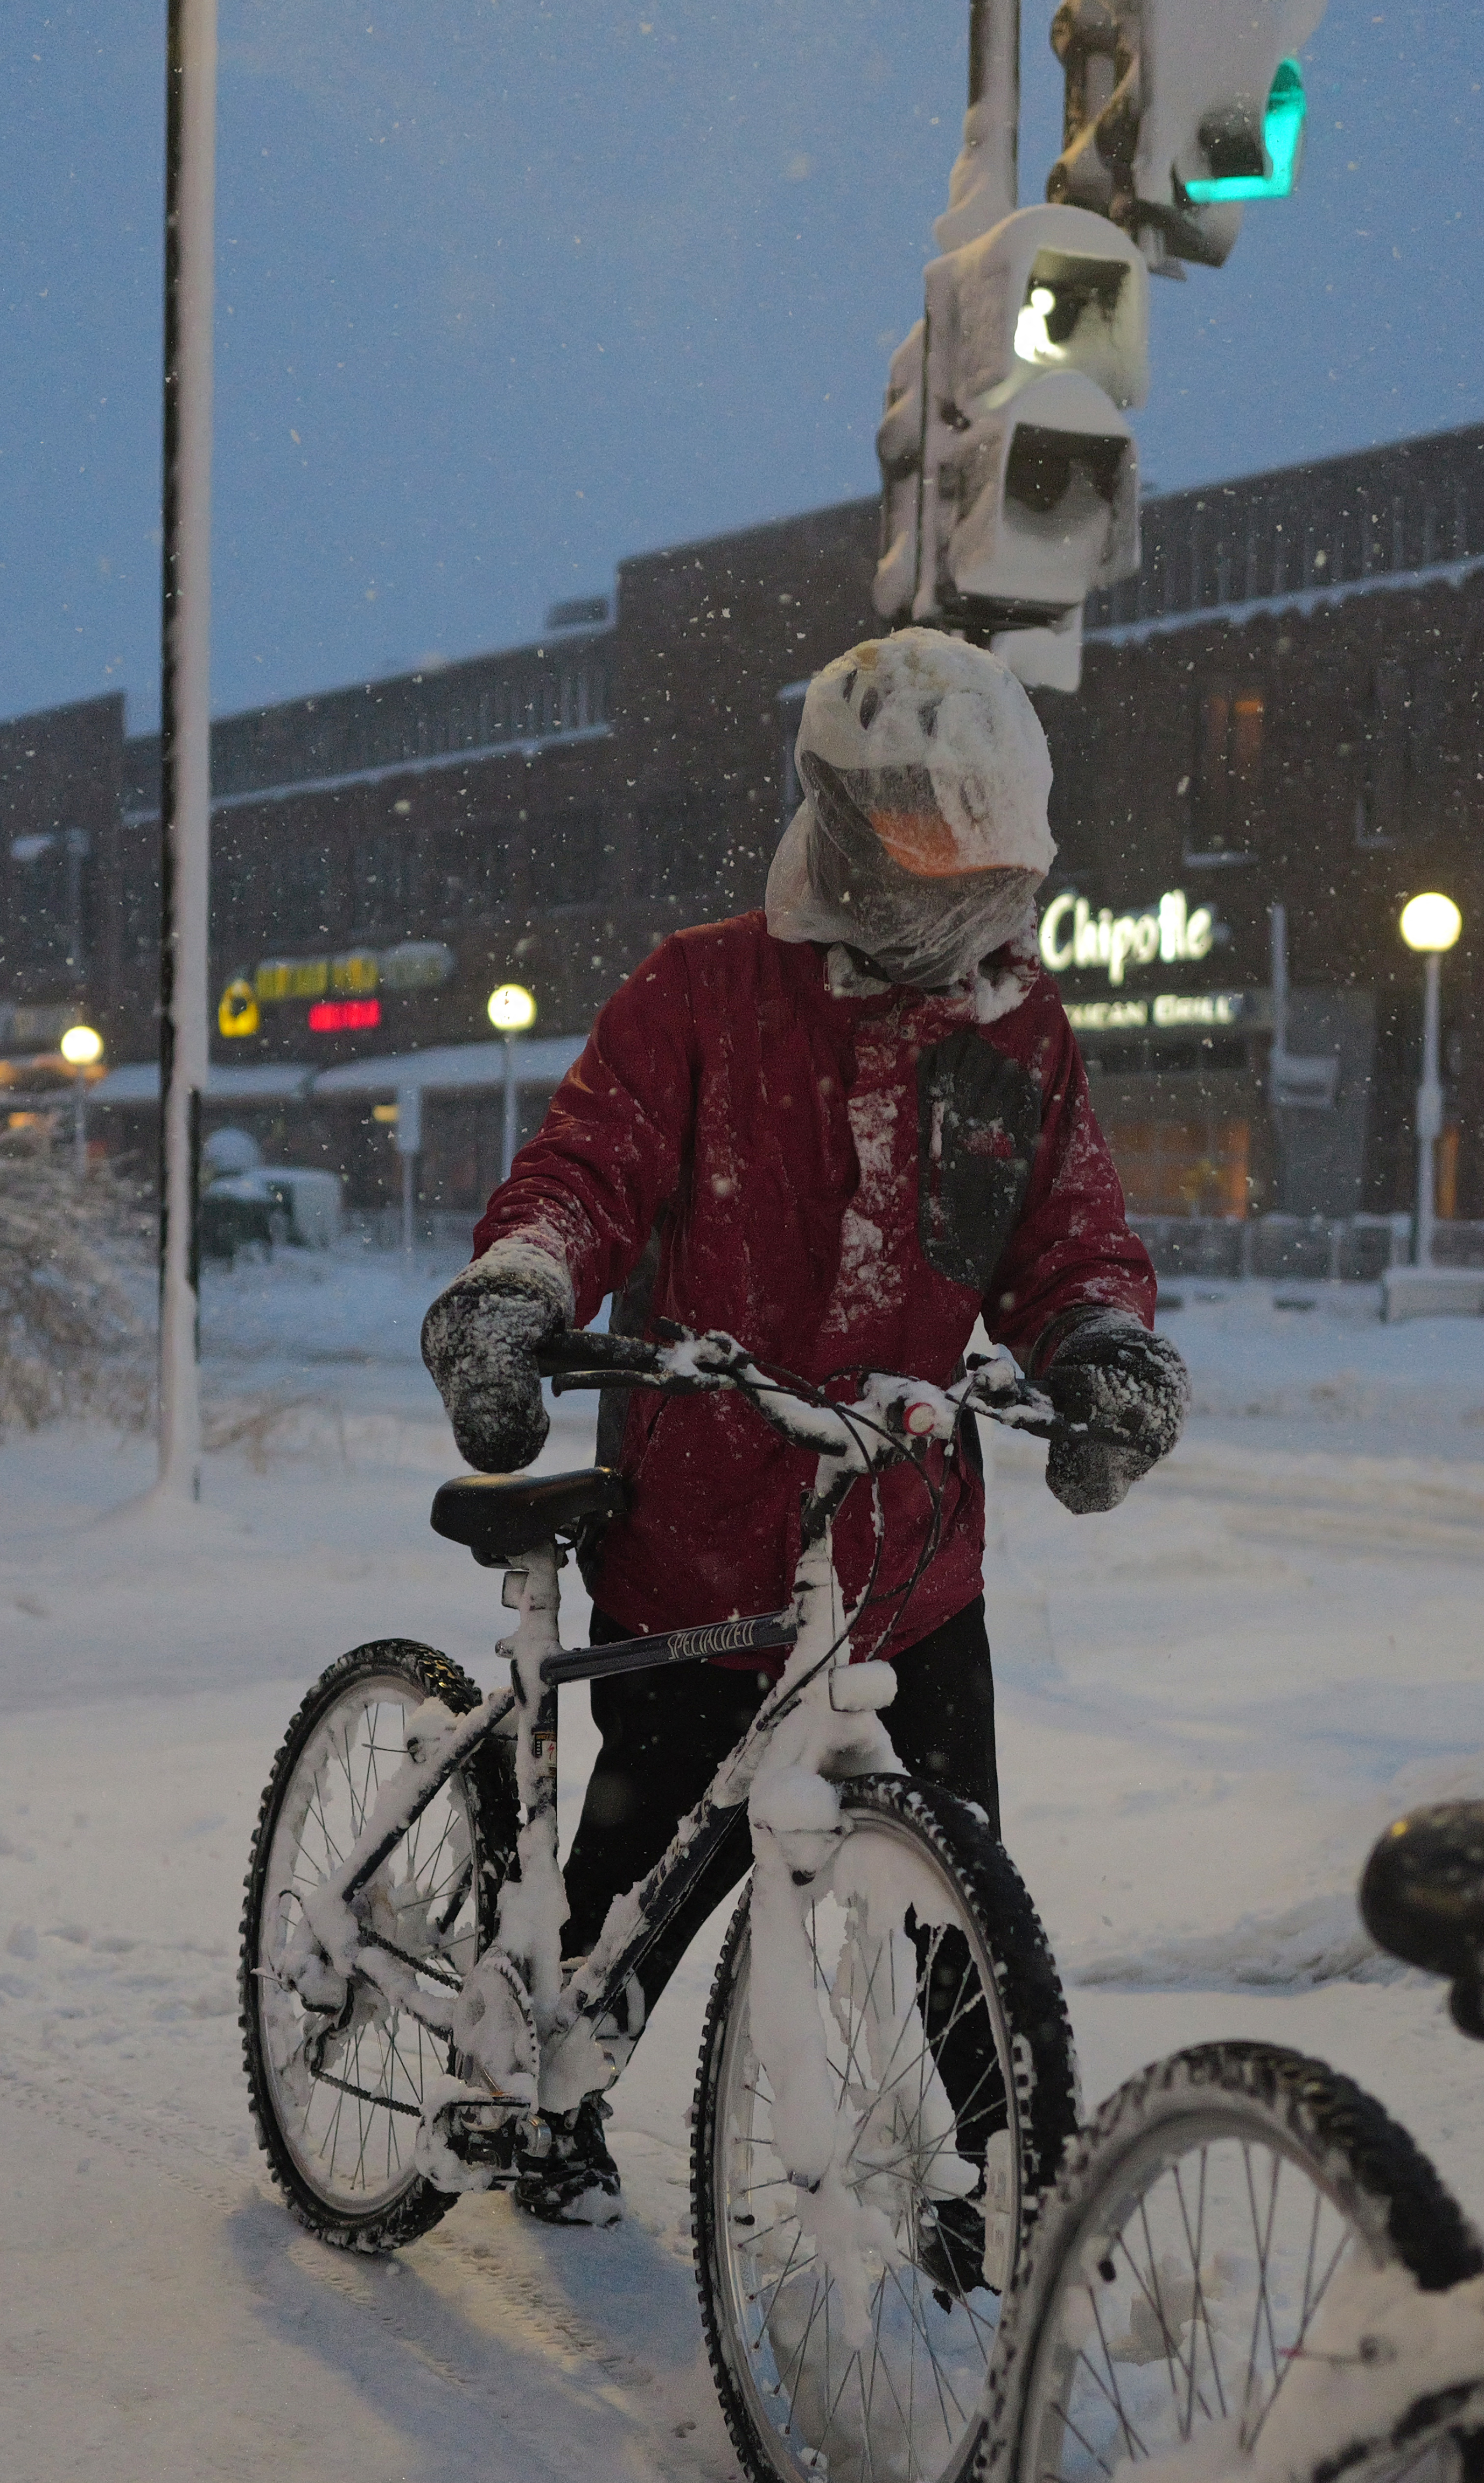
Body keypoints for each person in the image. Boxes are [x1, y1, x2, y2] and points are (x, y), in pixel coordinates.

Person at [415, 629, 1184, 2221]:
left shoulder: (1015, 1033)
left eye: (985, 867)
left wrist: (1100, 1345)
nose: (959, 906)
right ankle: (546, 2084)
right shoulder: (700, 994)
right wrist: (518, 1286)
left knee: (954, 1901)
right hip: (699, 1540)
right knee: (640, 1873)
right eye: (924, 859)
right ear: (845, 836)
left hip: (908, 1556)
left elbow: (1065, 1236)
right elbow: (588, 1172)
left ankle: (1005, 2204)